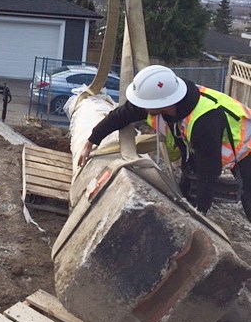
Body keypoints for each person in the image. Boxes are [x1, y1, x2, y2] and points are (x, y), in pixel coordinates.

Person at [78, 65, 251, 220]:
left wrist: (202, 211)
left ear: (164, 103)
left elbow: (209, 168)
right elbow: (122, 115)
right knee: (188, 182)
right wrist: (91, 141)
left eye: (145, 104)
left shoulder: (205, 121)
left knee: (248, 197)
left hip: (247, 147)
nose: (141, 108)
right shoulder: (165, 99)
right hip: (208, 146)